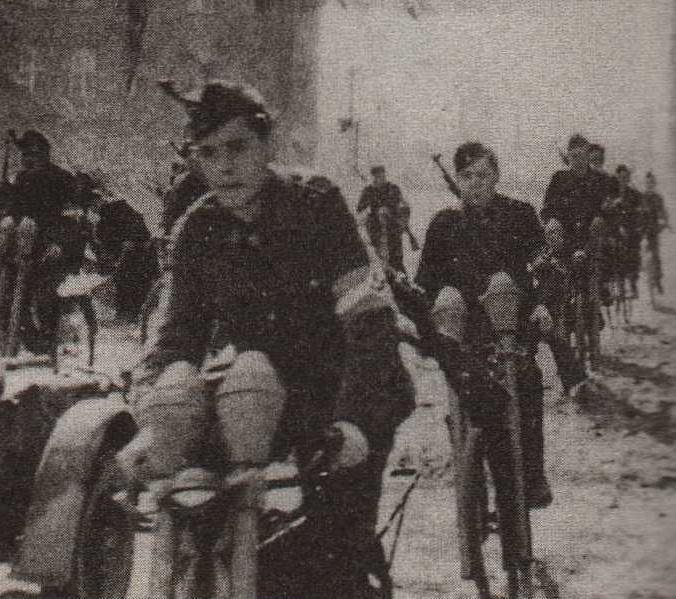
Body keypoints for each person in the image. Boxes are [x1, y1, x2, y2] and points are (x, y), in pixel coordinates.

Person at [116, 80, 415, 598]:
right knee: (208, 517)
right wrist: (146, 413)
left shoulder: (317, 205)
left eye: (238, 148)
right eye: (207, 154)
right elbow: (175, 337)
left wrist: (355, 424)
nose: (224, 166)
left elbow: (367, 324)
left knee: (335, 554)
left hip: (346, 387)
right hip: (267, 392)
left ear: (267, 147)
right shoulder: (197, 228)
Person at [416, 141, 553, 509]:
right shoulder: (444, 225)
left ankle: (533, 475)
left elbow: (542, 267)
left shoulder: (520, 215)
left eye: (484, 175)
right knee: (462, 404)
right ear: (458, 180)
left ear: (496, 177)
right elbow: (426, 284)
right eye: (467, 176)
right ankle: (471, 488)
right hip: (467, 337)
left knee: (527, 385)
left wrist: (540, 305)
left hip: (514, 330)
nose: (476, 183)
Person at [541, 134, 606, 385]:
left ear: (588, 155)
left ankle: (595, 313)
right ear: (568, 156)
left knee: (593, 288)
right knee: (555, 289)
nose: (577, 160)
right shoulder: (559, 179)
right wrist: (552, 222)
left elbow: (606, 211)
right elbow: (546, 209)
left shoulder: (599, 181)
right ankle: (561, 332)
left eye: (582, 155)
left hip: (590, 243)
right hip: (564, 244)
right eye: (573, 156)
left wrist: (599, 226)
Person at [7, 130, 77, 355]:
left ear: (46, 154)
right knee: (7, 296)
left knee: (45, 294)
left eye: (34, 154)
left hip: (56, 248)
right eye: (25, 154)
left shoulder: (64, 179)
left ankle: (48, 343)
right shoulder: (21, 179)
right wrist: (9, 215)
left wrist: (59, 243)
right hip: (25, 246)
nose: (29, 159)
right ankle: (31, 343)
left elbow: (75, 216)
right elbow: (15, 210)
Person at [89, 186, 157, 321]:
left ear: (98, 201)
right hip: (141, 253)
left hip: (133, 255)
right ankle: (135, 314)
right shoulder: (120, 208)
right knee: (137, 284)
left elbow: (110, 242)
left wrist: (127, 244)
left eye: (93, 205)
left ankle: (128, 314)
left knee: (127, 284)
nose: (93, 209)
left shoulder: (110, 215)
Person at [357, 165, 415, 275]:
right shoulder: (368, 191)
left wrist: (403, 223)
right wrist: (373, 209)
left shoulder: (393, 189)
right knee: (384, 263)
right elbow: (360, 211)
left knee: (397, 261)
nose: (380, 178)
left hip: (394, 230)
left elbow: (405, 207)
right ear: (373, 177)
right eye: (377, 176)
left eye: (382, 175)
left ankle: (402, 283)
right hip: (377, 233)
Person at [603, 165, 642, 297]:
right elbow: (605, 209)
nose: (623, 179)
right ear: (617, 177)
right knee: (607, 249)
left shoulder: (634, 193)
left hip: (630, 228)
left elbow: (640, 210)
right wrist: (612, 204)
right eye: (621, 177)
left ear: (628, 178)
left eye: (626, 177)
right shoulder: (610, 192)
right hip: (613, 228)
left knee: (634, 251)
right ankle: (609, 282)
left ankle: (632, 282)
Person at [640, 171, 669, 294]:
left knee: (655, 254)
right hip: (641, 228)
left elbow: (663, 213)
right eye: (647, 183)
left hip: (653, 229)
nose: (649, 185)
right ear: (645, 184)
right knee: (636, 250)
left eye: (652, 182)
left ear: (654, 184)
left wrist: (664, 222)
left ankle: (657, 280)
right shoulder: (641, 197)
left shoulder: (658, 198)